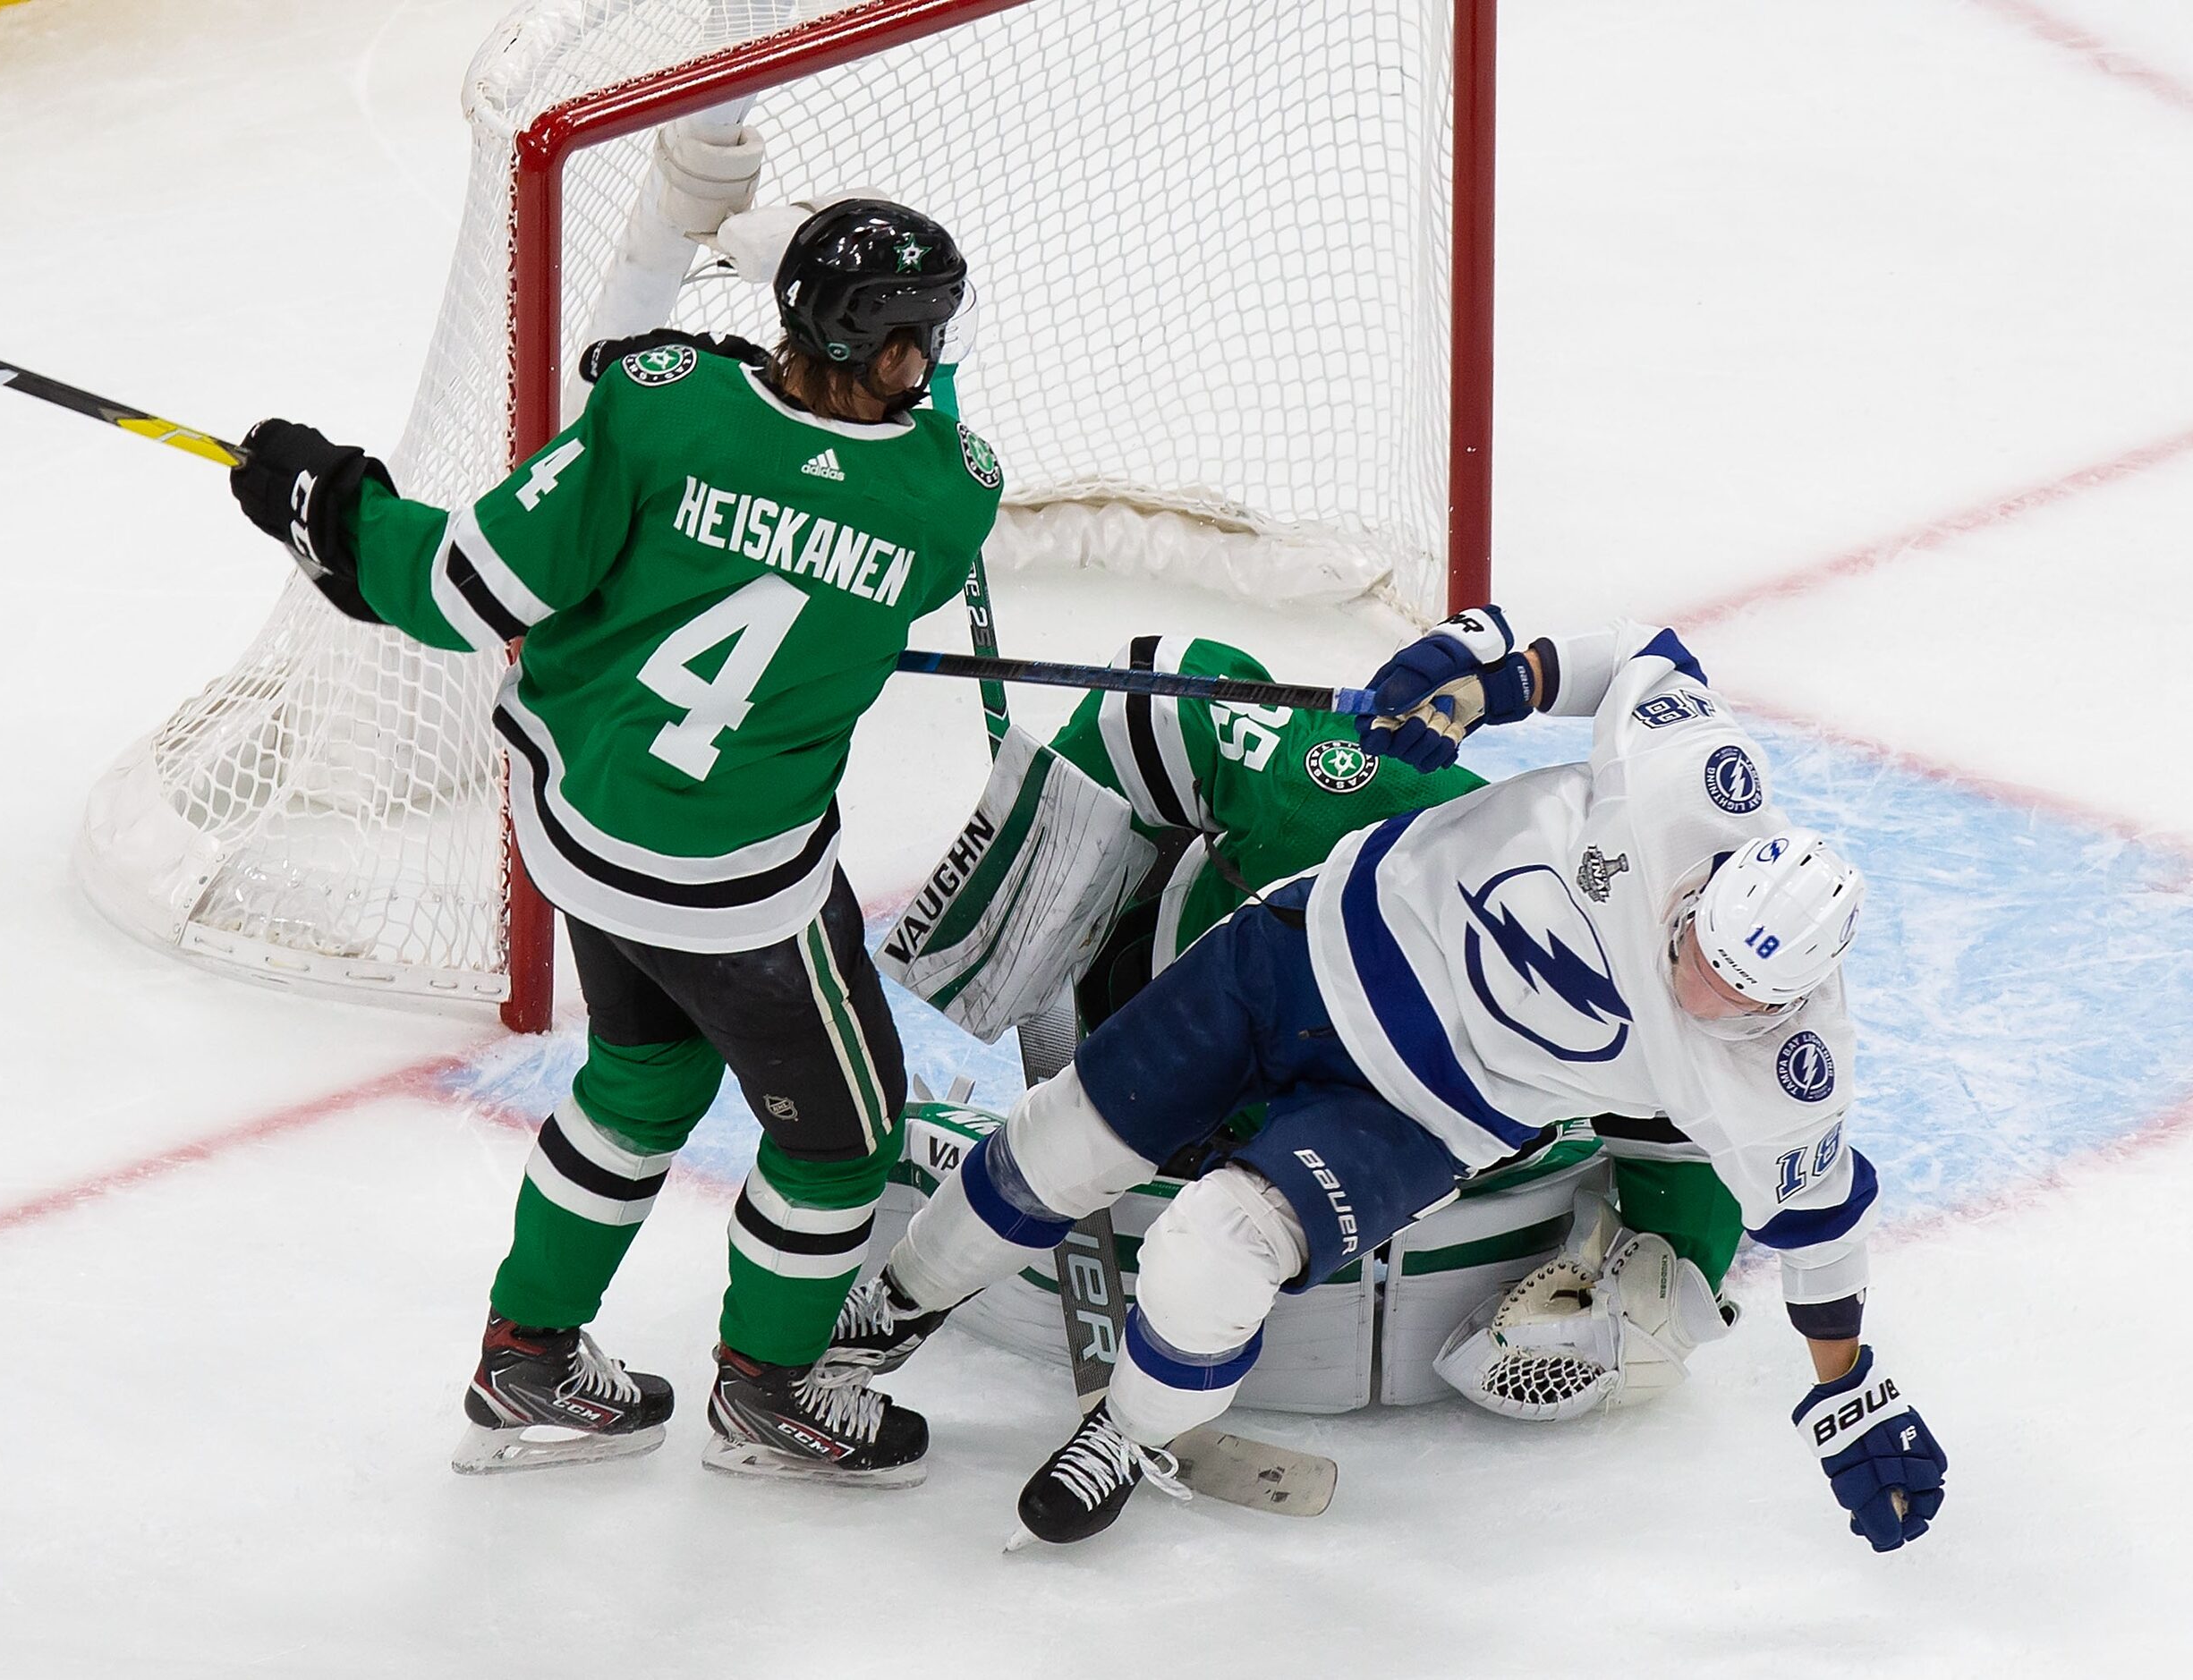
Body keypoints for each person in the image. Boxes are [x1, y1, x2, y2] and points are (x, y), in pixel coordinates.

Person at [853, 609, 1947, 1548]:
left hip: (1417, 1115)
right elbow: (1641, 655)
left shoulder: (1784, 1074)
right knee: (1060, 1140)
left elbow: (1819, 1225)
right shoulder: (1698, 791)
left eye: (1732, 991)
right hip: (1297, 952)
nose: (1696, 981)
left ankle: (1131, 1432)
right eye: (1700, 945)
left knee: (1212, 1252)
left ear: (1785, 1001)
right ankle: (890, 1309)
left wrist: (1845, 1390)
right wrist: (1487, 674)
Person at [225, 199, 1003, 1488]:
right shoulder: (944, 502)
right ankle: (769, 1390)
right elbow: (876, 502)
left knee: (642, 1085)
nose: (918, 366)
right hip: (740, 892)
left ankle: (525, 1354)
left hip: (580, 830)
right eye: (905, 340)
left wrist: (329, 510)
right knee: (837, 1141)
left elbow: (466, 589)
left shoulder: (660, 406)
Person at [842, 629, 1752, 1420]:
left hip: (1373, 1141)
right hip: (1196, 1009)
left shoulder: (1647, 994)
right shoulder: (1363, 794)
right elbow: (1164, 694)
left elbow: (1694, 1117)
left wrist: (1670, 1278)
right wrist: (1015, 961)